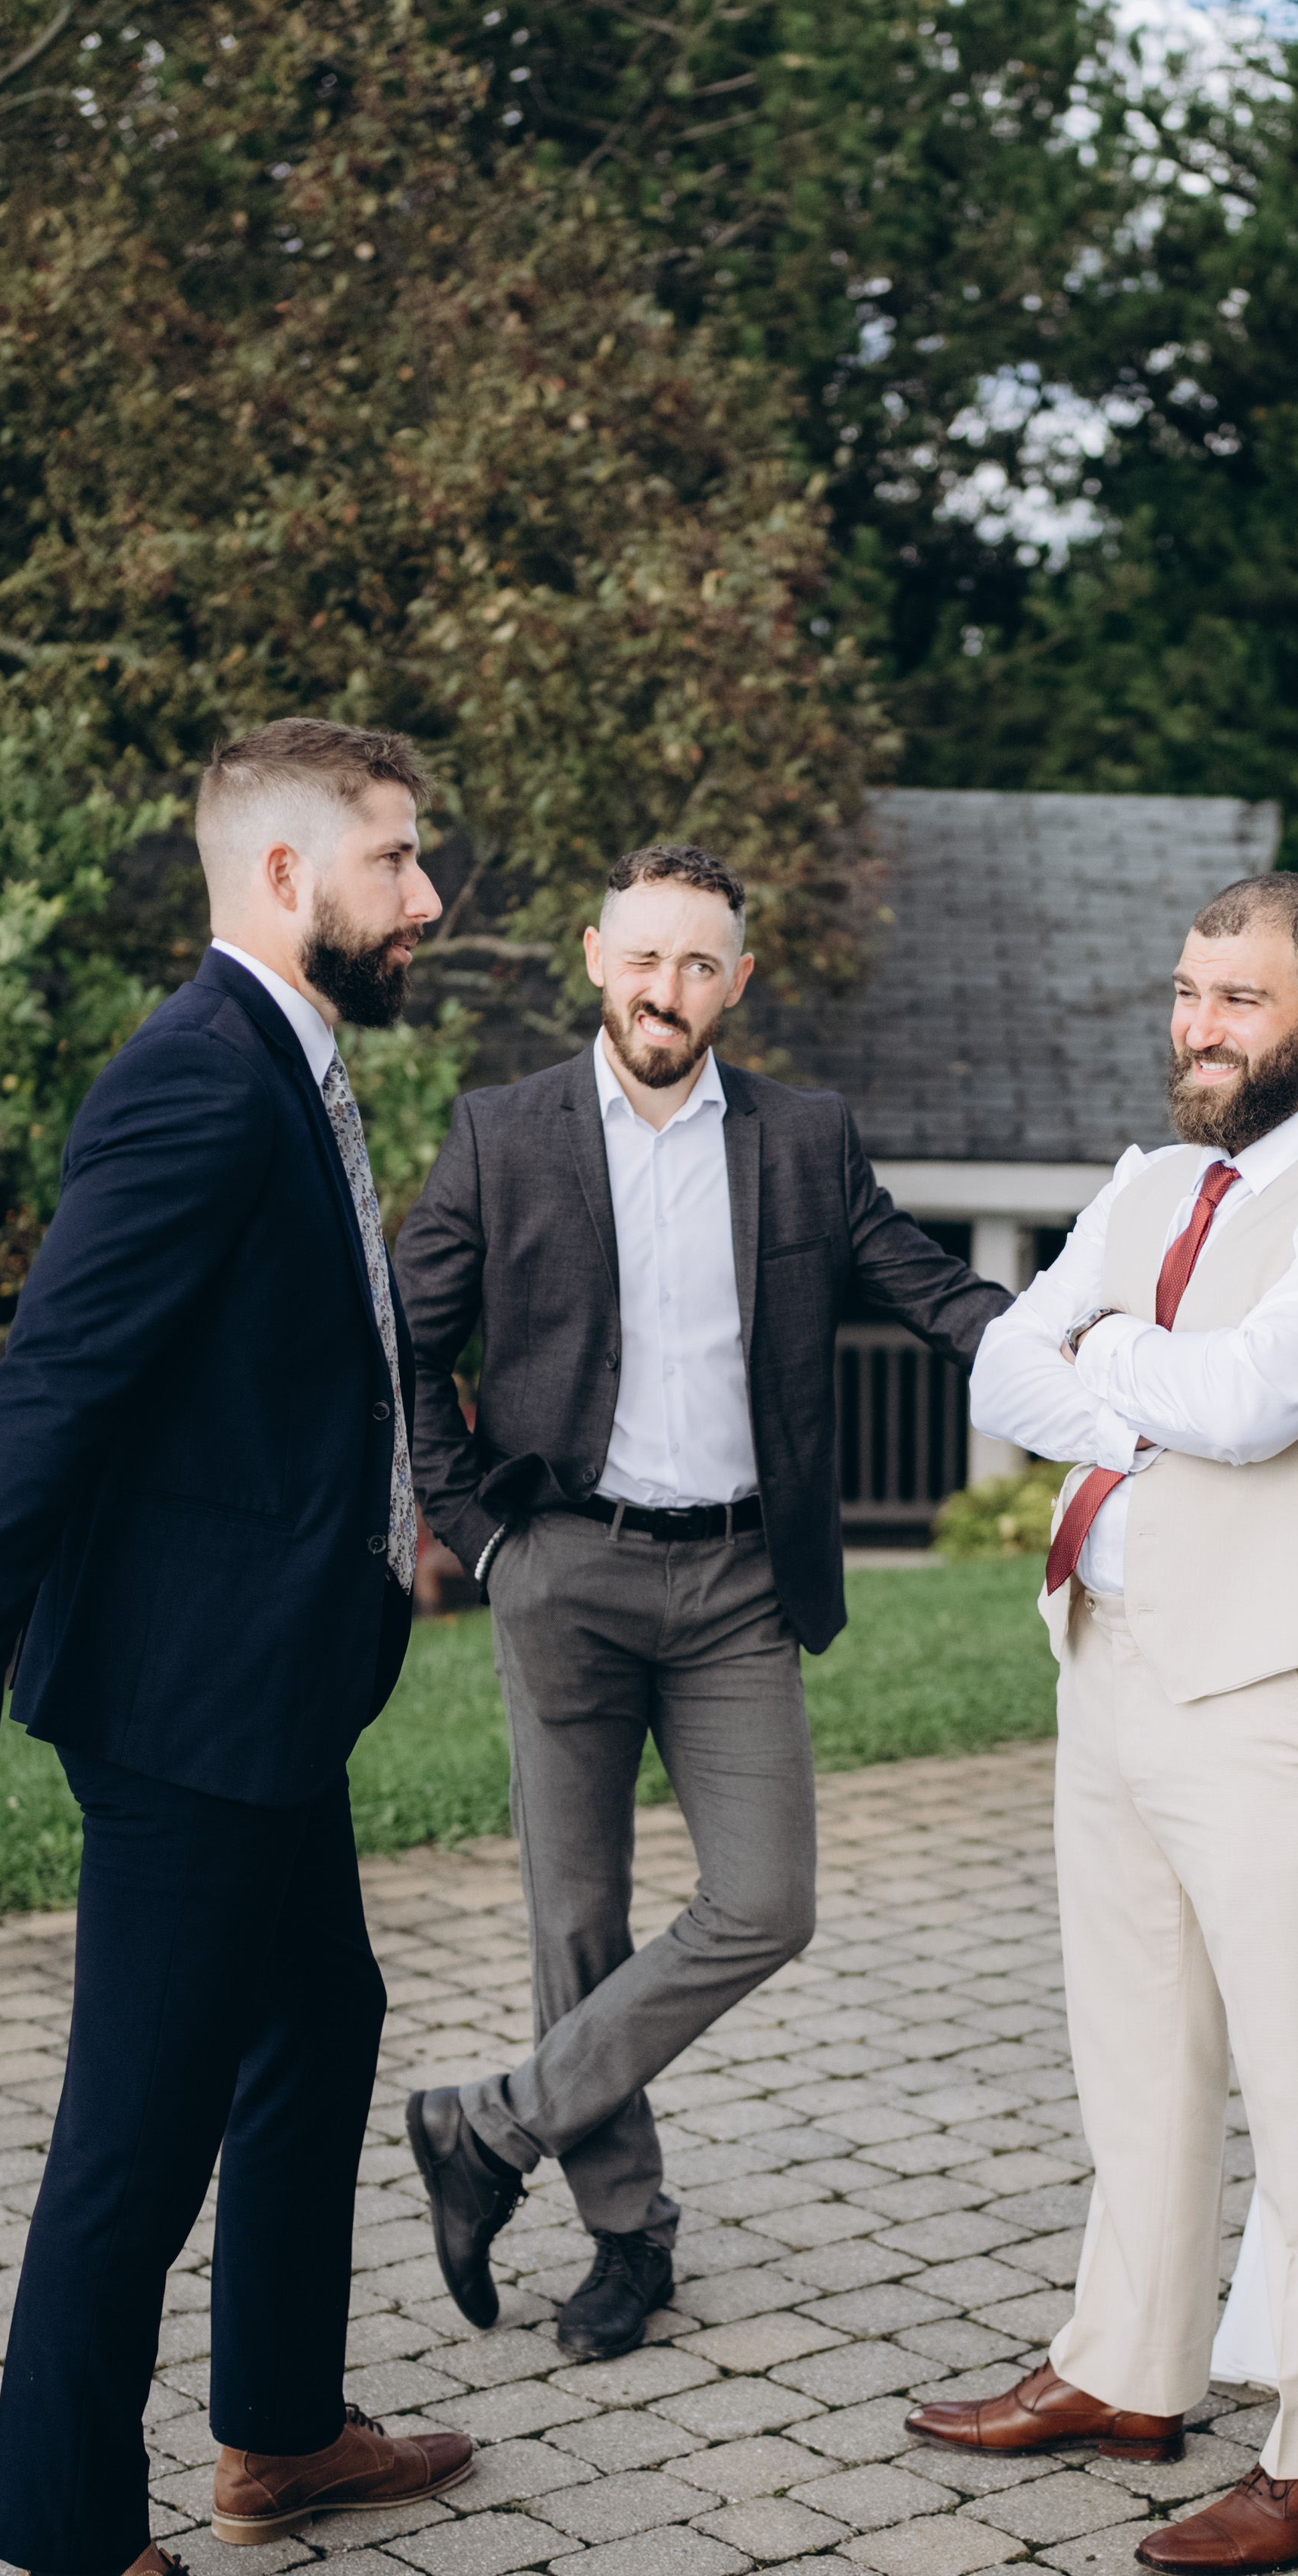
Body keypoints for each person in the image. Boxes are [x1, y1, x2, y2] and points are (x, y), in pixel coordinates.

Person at [0, 718, 476, 2576]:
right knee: (137, 2132)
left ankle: (279, 2427)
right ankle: (76, 2558)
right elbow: (48, 1395)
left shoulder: (286, 1063)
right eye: (397, 860)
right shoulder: (195, 1078)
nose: (429, 898)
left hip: (271, 1673)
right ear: (284, 875)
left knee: (322, 2016)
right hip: (187, 1700)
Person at [923, 869, 1298, 2576]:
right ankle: (1125, 2368)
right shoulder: (1149, 1179)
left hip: (1288, 1695)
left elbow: (1245, 1405)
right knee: (1134, 2054)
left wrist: (1108, 1354)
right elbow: (998, 1371)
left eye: (1238, 999)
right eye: (1186, 991)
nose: (1198, 1027)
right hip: (1113, 1660)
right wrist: (1132, 1378)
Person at [391, 844, 1009, 2360]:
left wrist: (1096, 1359)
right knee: (575, 1917)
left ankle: (489, 2127)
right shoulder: (500, 1134)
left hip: (740, 1581)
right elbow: (400, 1346)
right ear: (593, 956)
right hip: (563, 1568)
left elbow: (934, 1290)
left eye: (698, 963)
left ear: (737, 980)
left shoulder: (804, 1139)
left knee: (767, 1900)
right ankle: (626, 2233)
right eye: (643, 957)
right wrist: (481, 1536)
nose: (665, 988)